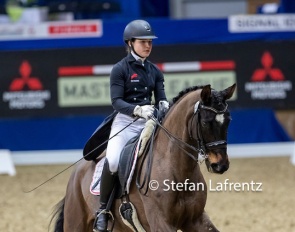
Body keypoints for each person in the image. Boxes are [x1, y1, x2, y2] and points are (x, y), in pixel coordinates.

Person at [93, 19, 169, 232]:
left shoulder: (155, 71)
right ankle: (103, 211)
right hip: (126, 122)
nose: (148, 46)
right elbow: (116, 102)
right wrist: (137, 110)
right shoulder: (120, 69)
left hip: (150, 122)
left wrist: (163, 103)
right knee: (114, 160)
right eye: (143, 42)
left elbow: (161, 97)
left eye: (150, 42)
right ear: (130, 43)